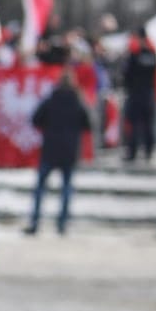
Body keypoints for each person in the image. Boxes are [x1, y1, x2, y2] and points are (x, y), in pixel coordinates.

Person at [27, 66, 92, 236]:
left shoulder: (51, 100)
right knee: (66, 190)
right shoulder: (78, 102)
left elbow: (35, 119)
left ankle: (35, 222)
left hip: (50, 149)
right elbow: (88, 124)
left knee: (40, 189)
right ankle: (62, 224)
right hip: (69, 150)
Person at [119, 35, 156, 163]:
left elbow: (127, 74)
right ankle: (148, 151)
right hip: (148, 94)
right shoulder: (153, 56)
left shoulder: (134, 56)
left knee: (134, 125)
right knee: (148, 125)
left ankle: (132, 152)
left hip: (136, 94)